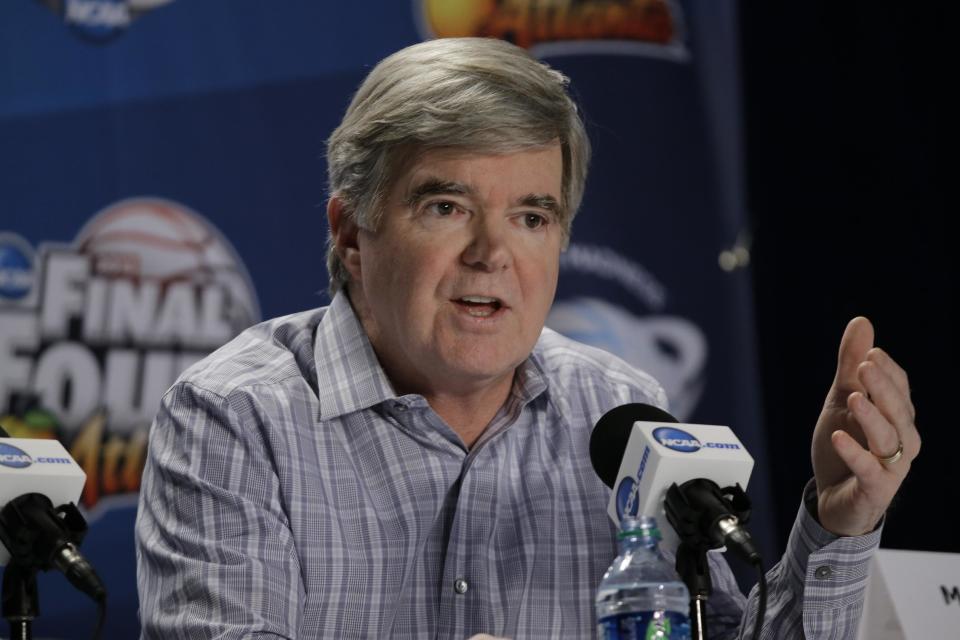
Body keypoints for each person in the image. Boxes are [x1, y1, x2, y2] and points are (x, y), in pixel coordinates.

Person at [135, 37, 919, 639]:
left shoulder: (620, 411)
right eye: (445, 207)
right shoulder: (236, 418)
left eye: (531, 217)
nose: (491, 253)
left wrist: (837, 523)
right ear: (352, 234)